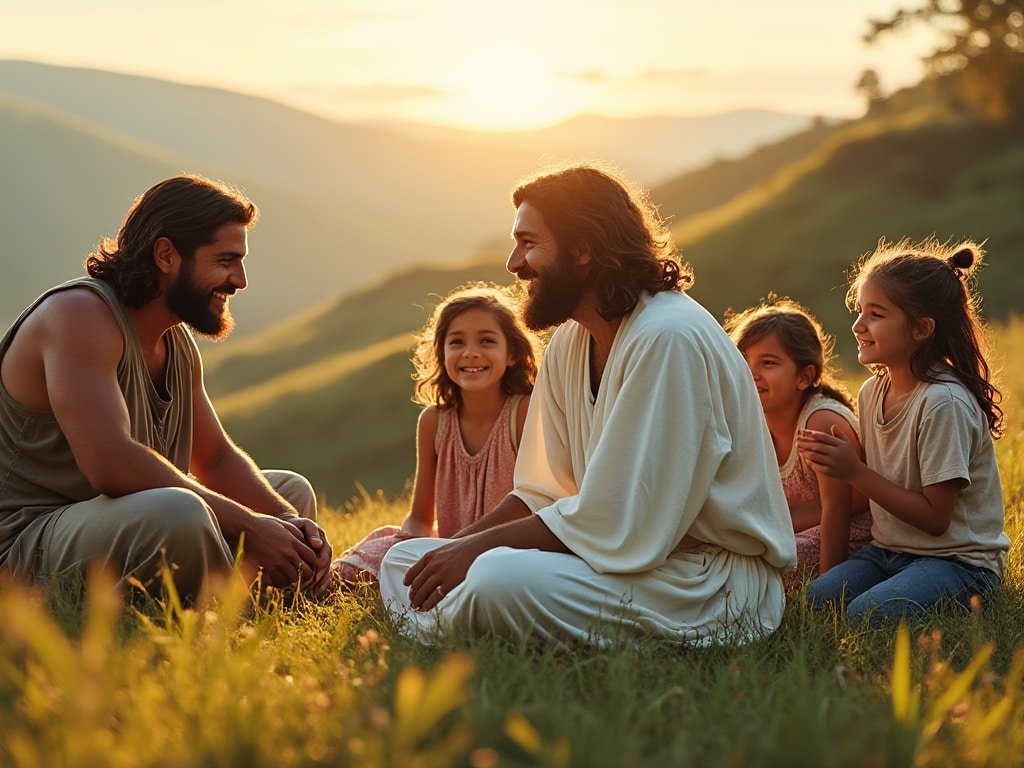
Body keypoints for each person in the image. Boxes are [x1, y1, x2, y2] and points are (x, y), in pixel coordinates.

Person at [378, 164, 796, 646]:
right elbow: (542, 494)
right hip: (617, 559)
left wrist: (474, 555)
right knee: (405, 561)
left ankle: (453, 624)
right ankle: (461, 616)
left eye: (530, 243)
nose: (514, 263)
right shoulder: (570, 342)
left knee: (497, 578)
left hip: (704, 583)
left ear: (582, 249)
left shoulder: (667, 338)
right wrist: (454, 550)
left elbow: (623, 523)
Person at [0, 174, 332, 600]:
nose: (240, 280)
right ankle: (229, 607)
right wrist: (250, 526)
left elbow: (214, 457)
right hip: (26, 546)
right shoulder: (78, 316)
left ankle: (263, 601)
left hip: (117, 522)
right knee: (182, 513)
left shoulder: (175, 341)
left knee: (290, 493)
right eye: (226, 260)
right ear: (166, 255)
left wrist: (289, 527)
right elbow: (110, 462)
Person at [799, 239, 1008, 623]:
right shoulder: (871, 391)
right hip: (888, 551)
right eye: (859, 311)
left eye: (876, 314)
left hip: (958, 561)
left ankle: (970, 593)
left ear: (921, 329)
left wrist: (854, 471)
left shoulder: (942, 403)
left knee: (867, 615)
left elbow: (935, 518)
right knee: (818, 598)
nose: (858, 326)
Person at [332, 285, 537, 585]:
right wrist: (410, 546)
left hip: (506, 551)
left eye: (486, 340)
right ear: (441, 353)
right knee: (376, 554)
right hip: (445, 548)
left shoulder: (524, 412)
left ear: (513, 355)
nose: (470, 353)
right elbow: (420, 518)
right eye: (456, 342)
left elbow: (535, 505)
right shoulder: (434, 421)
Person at [725, 296, 871, 584]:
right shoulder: (752, 421)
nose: (750, 374)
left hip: (851, 536)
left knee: (764, 567)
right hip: (790, 531)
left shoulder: (821, 422)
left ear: (804, 377)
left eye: (768, 363)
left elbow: (839, 509)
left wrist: (828, 588)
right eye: (742, 360)